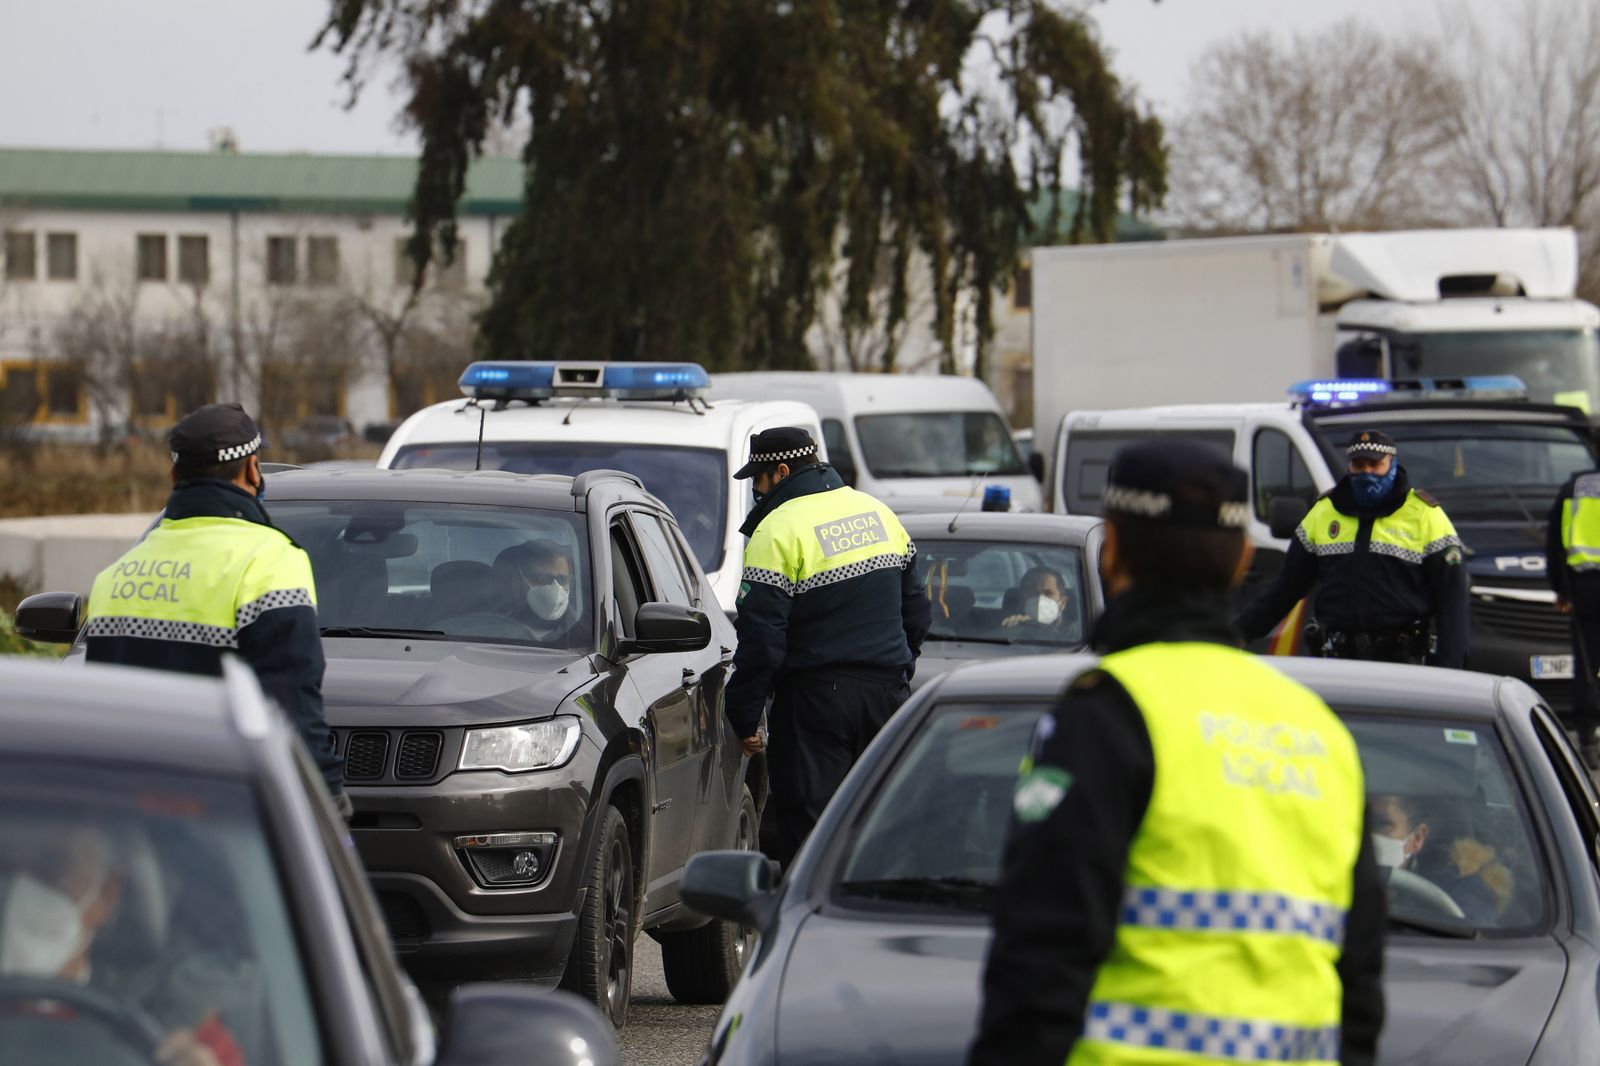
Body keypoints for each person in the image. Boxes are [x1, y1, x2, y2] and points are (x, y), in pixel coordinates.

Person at [970, 440, 1385, 1066]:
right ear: (1242, 558)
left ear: (1112, 550)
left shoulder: (1108, 713)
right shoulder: (1319, 731)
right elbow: (1360, 984)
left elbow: (1041, 957)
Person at [82, 404, 347, 815]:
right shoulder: (269, 560)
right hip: (220, 810)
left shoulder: (116, 575)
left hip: (127, 808)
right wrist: (326, 797)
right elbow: (292, 706)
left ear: (174, 476)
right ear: (253, 470)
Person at [726, 426, 931, 868]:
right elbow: (917, 609)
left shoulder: (777, 529)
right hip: (888, 698)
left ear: (781, 471)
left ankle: (816, 929)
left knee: (814, 839)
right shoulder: (878, 513)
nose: (757, 493)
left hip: (816, 705)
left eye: (758, 481)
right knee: (883, 826)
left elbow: (762, 638)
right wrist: (896, 667)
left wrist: (744, 714)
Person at [0, 824, 238, 1066]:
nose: (17, 889)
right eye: (4, 868)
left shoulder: (187, 1031)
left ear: (107, 894)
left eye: (50, 869)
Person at [1236, 429, 1469, 667]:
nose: (1367, 472)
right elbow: (1285, 588)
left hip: (1401, 663)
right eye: (1359, 465)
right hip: (1337, 659)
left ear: (1392, 464)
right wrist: (1237, 634)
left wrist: (1452, 667)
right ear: (1349, 467)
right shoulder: (1323, 513)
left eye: (1374, 464)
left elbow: (1452, 602)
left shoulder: (1425, 516)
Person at [1369, 794, 1512, 925]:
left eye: (1381, 823)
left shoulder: (1460, 894)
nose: (1365, 833)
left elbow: (1466, 941)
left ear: (1417, 838)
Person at [1545, 467, 1600, 767]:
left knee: (1588, 665)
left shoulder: (1576, 487)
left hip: (1586, 588)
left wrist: (1561, 589)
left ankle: (1589, 741)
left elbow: (1555, 541)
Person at [493, 539, 583, 644]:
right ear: (517, 582)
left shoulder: (582, 634)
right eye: (543, 579)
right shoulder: (492, 628)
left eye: (562, 580)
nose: (556, 587)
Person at [1001, 565, 1078, 636]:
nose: (1040, 600)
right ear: (1023, 600)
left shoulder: (1076, 635)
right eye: (1032, 593)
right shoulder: (1015, 628)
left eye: (1048, 593)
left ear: (1063, 603)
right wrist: (1008, 632)